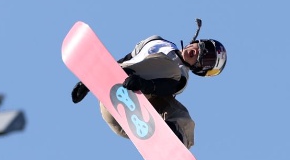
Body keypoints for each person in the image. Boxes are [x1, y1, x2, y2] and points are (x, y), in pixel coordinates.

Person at [70, 19, 226, 149]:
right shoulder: (155, 41)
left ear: (200, 69)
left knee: (184, 118)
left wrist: (144, 85)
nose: (198, 53)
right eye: (202, 49)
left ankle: (171, 143)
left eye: (205, 60)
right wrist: (89, 81)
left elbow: (168, 87)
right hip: (114, 94)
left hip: (127, 121)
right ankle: (116, 79)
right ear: (197, 41)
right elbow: (125, 60)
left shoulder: (182, 77)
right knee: (170, 68)